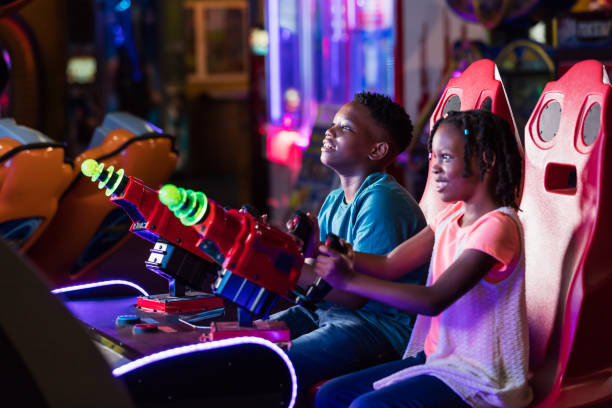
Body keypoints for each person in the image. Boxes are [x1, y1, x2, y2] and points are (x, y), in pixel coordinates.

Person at [314, 109, 532, 408]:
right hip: (440, 359)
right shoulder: (451, 215)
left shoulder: (497, 226)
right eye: (433, 158)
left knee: (367, 405)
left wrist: (350, 280)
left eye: (446, 157)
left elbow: (433, 300)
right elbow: (391, 263)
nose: (435, 169)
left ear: (487, 160)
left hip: (479, 377)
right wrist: (323, 250)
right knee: (332, 394)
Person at [269, 91, 428, 390]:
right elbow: (319, 271)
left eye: (346, 128)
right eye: (334, 124)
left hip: (375, 327)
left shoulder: (382, 200)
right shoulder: (333, 200)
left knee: (274, 365)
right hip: (329, 313)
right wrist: (286, 249)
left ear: (377, 150)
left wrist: (281, 264)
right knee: (248, 345)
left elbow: (354, 296)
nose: (329, 132)